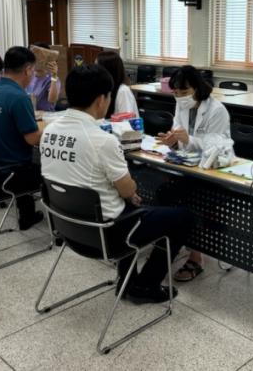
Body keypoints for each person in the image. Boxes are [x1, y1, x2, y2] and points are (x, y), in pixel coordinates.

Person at [40, 64, 193, 304]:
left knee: (126, 204)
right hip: (107, 234)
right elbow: (129, 189)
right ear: (102, 99)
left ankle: (127, 280)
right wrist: (128, 191)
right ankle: (146, 285)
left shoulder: (49, 131)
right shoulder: (103, 140)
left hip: (69, 227)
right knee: (183, 217)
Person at [157, 65, 231, 282]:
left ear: (197, 88)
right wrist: (172, 141)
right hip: (187, 168)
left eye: (185, 91)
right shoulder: (181, 105)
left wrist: (188, 140)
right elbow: (179, 136)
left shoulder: (216, 110)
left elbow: (215, 146)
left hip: (212, 171)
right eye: (176, 93)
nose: (180, 97)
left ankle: (196, 257)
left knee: (192, 200)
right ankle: (173, 240)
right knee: (162, 192)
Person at [0, 46, 44, 230]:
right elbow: (32, 139)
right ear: (28, 70)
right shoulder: (19, 97)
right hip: (9, 173)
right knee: (49, 170)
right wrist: (51, 129)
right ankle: (54, 221)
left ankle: (27, 214)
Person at [95, 50, 138, 118]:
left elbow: (126, 120)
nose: (94, 71)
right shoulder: (104, 88)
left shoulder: (123, 91)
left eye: (97, 68)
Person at [26, 42, 60, 111]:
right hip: (29, 112)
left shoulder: (52, 78)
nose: (36, 61)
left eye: (39, 58)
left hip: (45, 115)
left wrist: (54, 75)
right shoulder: (28, 75)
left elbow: (52, 100)